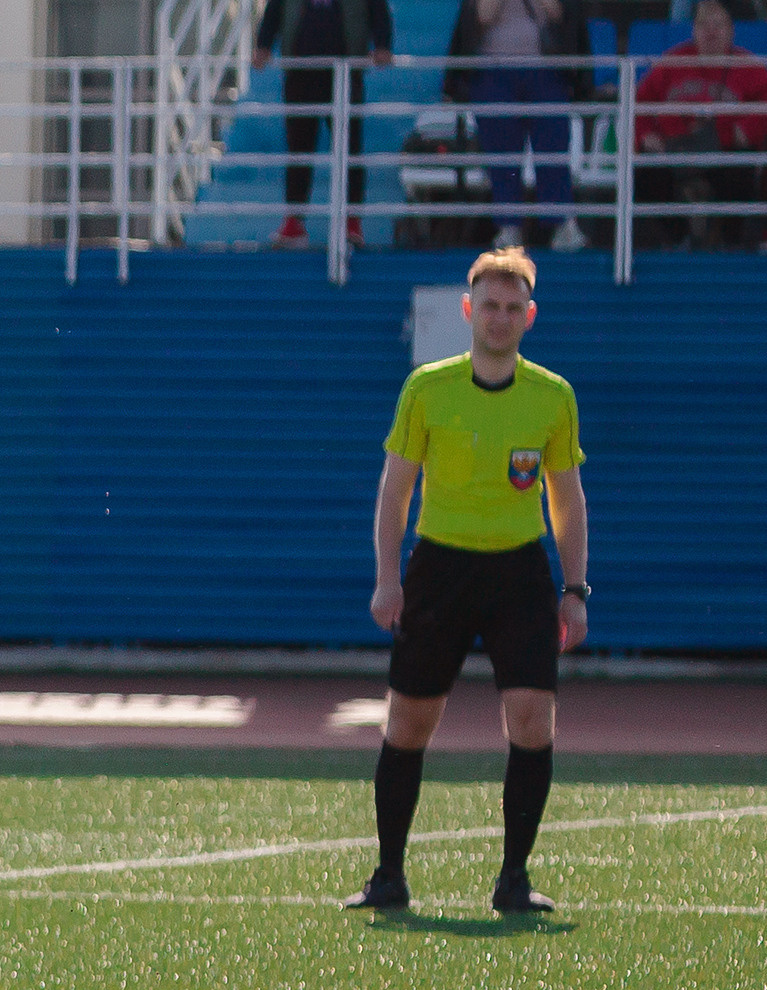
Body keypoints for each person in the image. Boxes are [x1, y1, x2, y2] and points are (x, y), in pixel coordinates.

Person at [346, 246, 589, 916]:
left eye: (513, 307)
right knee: (408, 723)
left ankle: (513, 880)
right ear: (467, 310)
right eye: (489, 305)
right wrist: (385, 579)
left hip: (517, 571)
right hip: (439, 567)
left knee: (532, 719)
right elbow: (393, 492)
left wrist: (574, 588)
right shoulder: (426, 388)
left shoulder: (551, 396)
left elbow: (565, 500)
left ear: (528, 316)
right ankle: (387, 876)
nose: (500, 317)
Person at [444, 0, 591, 250]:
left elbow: (558, 13)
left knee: (552, 150)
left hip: (545, 71)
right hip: (494, 72)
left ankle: (561, 223)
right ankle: (509, 227)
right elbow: (482, 16)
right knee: (502, 156)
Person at [251, 0, 395, 249]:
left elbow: (378, 10)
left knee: (350, 149)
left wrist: (383, 45)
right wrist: (263, 45)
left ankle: (352, 223)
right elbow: (275, 10)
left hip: (346, 71)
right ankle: (294, 223)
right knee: (298, 150)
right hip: (300, 71)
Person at [635, 0, 767, 249]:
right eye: (704, 24)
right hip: (674, 151)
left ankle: (729, 244)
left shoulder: (748, 67)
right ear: (693, 29)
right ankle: (680, 238)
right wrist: (645, 135)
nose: (711, 32)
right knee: (646, 177)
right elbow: (640, 102)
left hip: (724, 151)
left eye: (718, 25)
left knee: (741, 173)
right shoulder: (672, 63)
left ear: (731, 30)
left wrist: (745, 130)